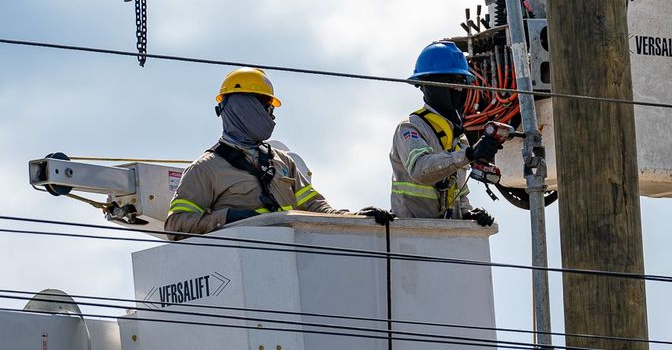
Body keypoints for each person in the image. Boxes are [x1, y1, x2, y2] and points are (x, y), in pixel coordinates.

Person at [165, 67, 390, 238]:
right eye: (267, 108)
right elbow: (176, 225)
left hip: (291, 257)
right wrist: (229, 218)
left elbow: (316, 208)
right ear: (244, 108)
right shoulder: (206, 169)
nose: (272, 117)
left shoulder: (282, 161)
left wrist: (357, 218)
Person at [390, 42, 498, 226]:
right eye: (452, 81)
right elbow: (420, 170)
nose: (458, 89)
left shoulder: (458, 138)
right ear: (427, 83)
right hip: (410, 234)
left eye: (462, 82)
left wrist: (467, 212)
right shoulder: (410, 128)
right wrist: (468, 155)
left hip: (446, 236)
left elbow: (457, 190)